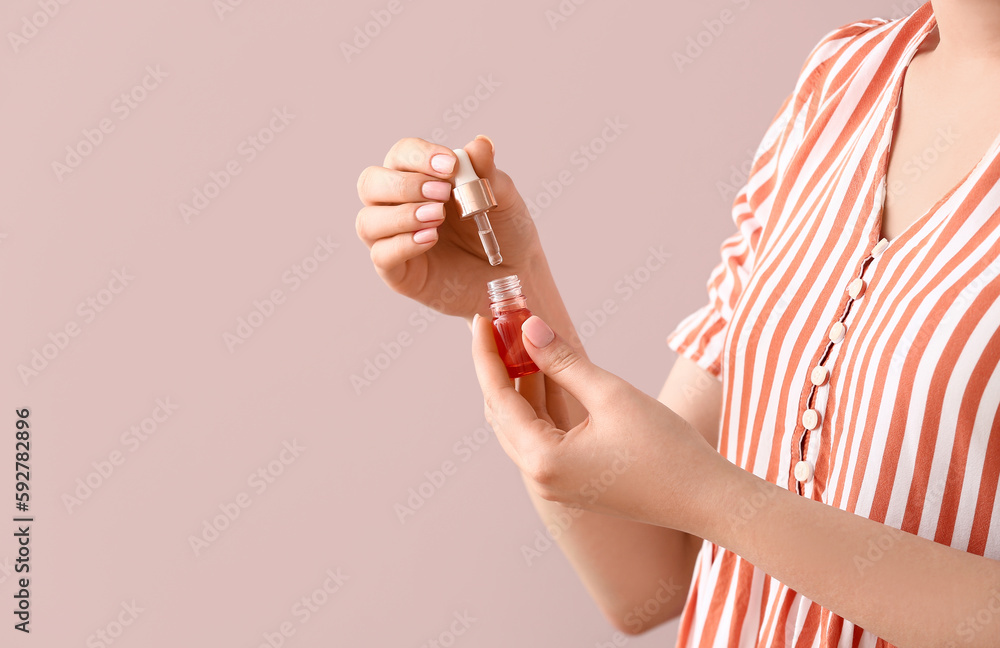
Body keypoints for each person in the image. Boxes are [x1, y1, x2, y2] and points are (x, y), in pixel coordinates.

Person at [355, 2, 1000, 645]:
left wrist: (710, 497)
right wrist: (512, 292)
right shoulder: (841, 81)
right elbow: (646, 577)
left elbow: (693, 494)